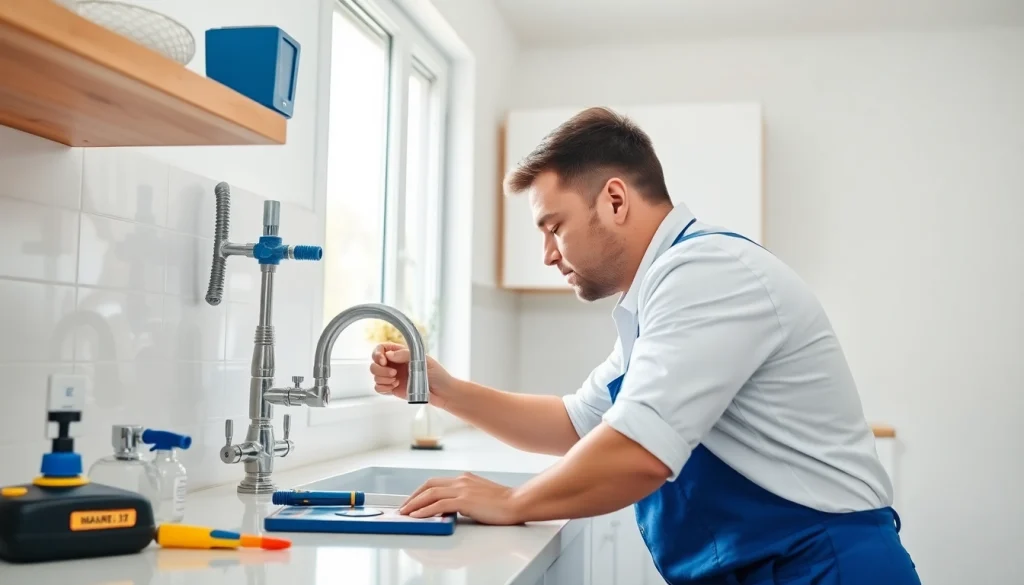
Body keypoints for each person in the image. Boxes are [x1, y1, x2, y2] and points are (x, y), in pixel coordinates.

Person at [369, 106, 921, 584]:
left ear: (614, 200)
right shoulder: (660, 292)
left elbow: (637, 453)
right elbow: (576, 422)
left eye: (553, 226)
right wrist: (444, 391)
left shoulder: (706, 273)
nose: (547, 254)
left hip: (822, 568)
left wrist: (513, 502)